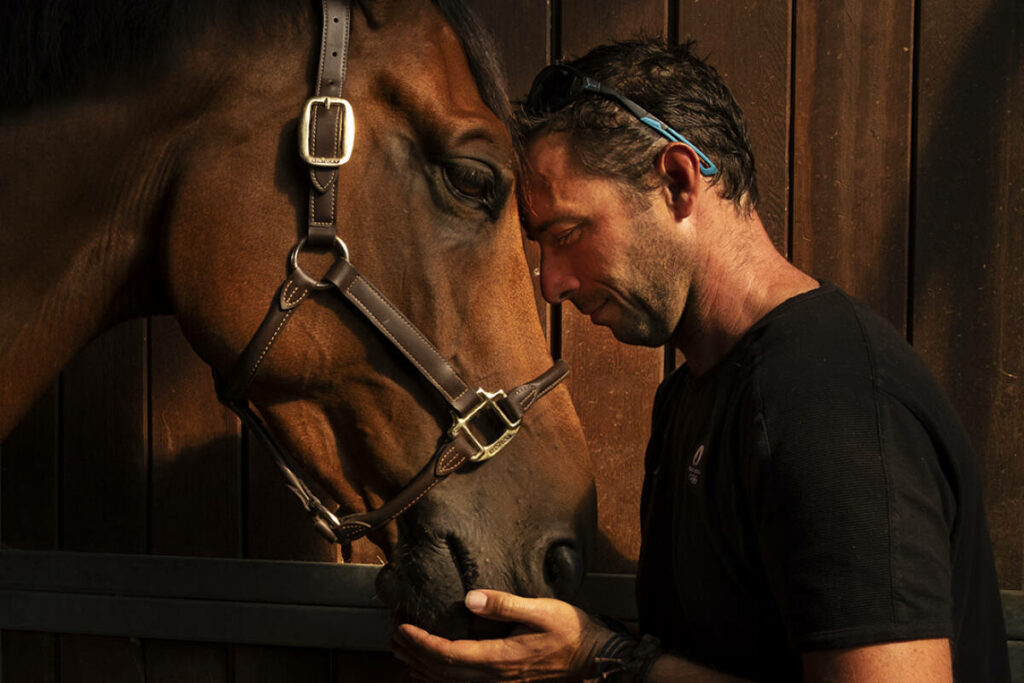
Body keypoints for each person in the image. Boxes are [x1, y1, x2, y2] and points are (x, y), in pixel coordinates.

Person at [390, 38, 1011, 682]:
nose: (552, 283)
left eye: (569, 235)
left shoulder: (833, 398)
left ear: (678, 182)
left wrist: (599, 658)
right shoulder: (693, 395)